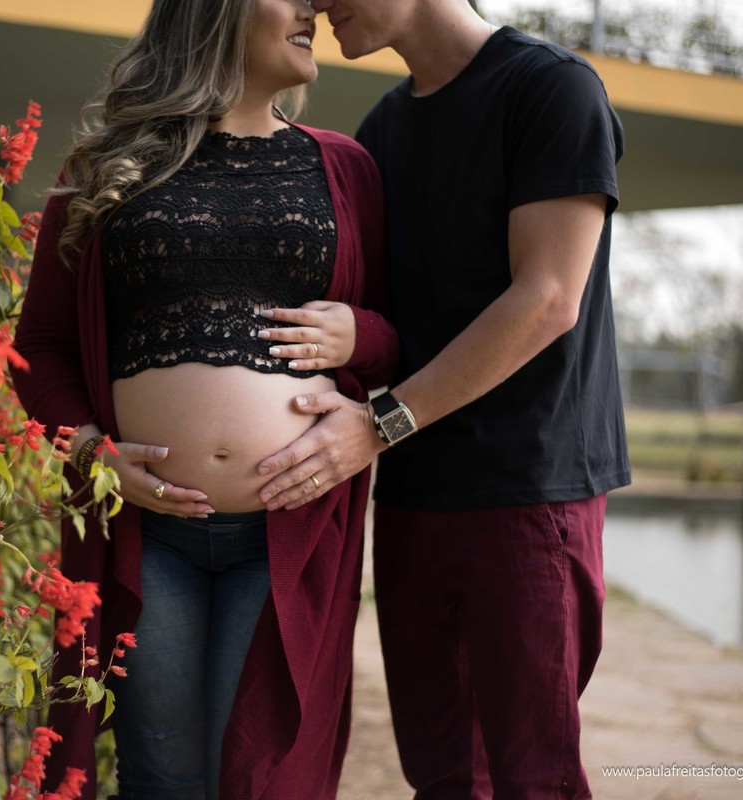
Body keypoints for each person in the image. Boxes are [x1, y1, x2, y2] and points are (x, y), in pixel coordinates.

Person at [11, 0, 399, 796]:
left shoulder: (345, 167)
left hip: (288, 528)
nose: (312, 7)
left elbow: (401, 333)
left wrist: (358, 335)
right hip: (146, 535)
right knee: (161, 776)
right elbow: (39, 345)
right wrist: (89, 451)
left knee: (255, 776)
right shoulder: (104, 165)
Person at [252, 0, 630, 797]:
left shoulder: (552, 89)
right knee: (442, 777)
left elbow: (548, 299)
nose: (316, 3)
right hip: (414, 496)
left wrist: (378, 425)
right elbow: (387, 318)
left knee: (533, 779)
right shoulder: (382, 131)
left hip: (528, 493)